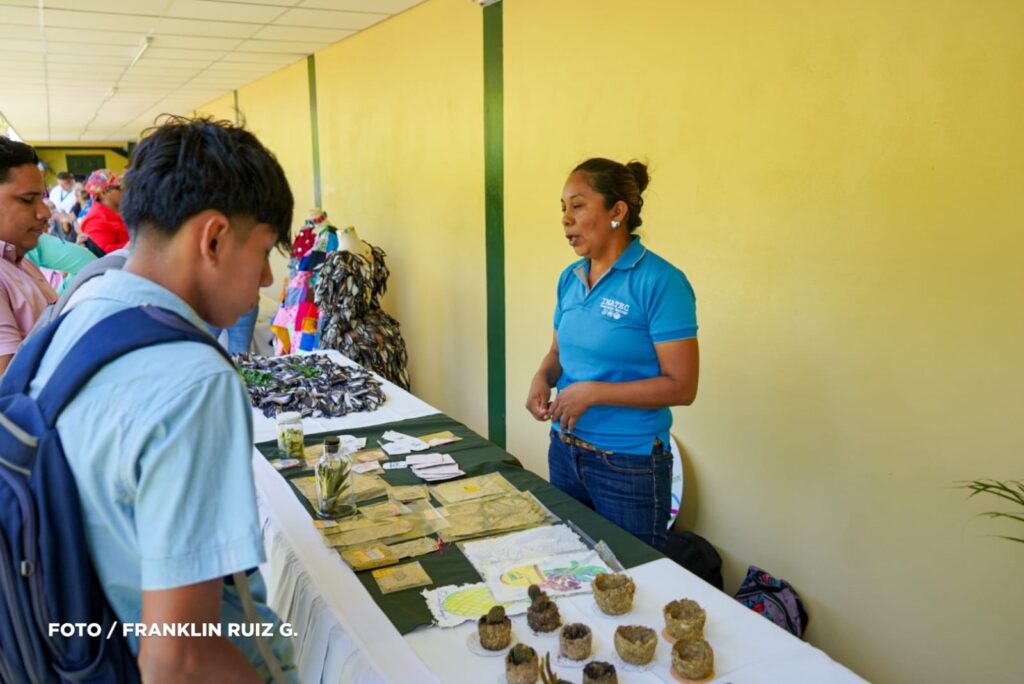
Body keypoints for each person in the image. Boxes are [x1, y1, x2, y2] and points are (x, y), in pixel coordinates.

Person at [26, 116, 298, 682]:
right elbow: (180, 659)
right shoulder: (194, 380)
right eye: (264, 250)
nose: (267, 281)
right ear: (213, 238)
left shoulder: (85, 303)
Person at [526, 157, 700, 550]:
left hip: (628, 466)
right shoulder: (569, 279)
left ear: (617, 212)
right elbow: (557, 352)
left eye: (578, 205)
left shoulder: (661, 282)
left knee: (633, 575)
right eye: (563, 208)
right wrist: (542, 377)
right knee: (569, 568)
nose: (565, 219)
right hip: (565, 451)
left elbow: (682, 386)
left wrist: (594, 393)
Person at [0, 136, 58, 374]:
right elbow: (7, 381)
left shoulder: (19, 261)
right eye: (27, 200)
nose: (45, 213)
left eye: (42, 198)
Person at [79, 168, 129, 253]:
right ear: (103, 193)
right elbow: (105, 252)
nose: (124, 190)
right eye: (119, 187)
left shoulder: (123, 209)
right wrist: (138, 244)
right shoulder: (95, 219)